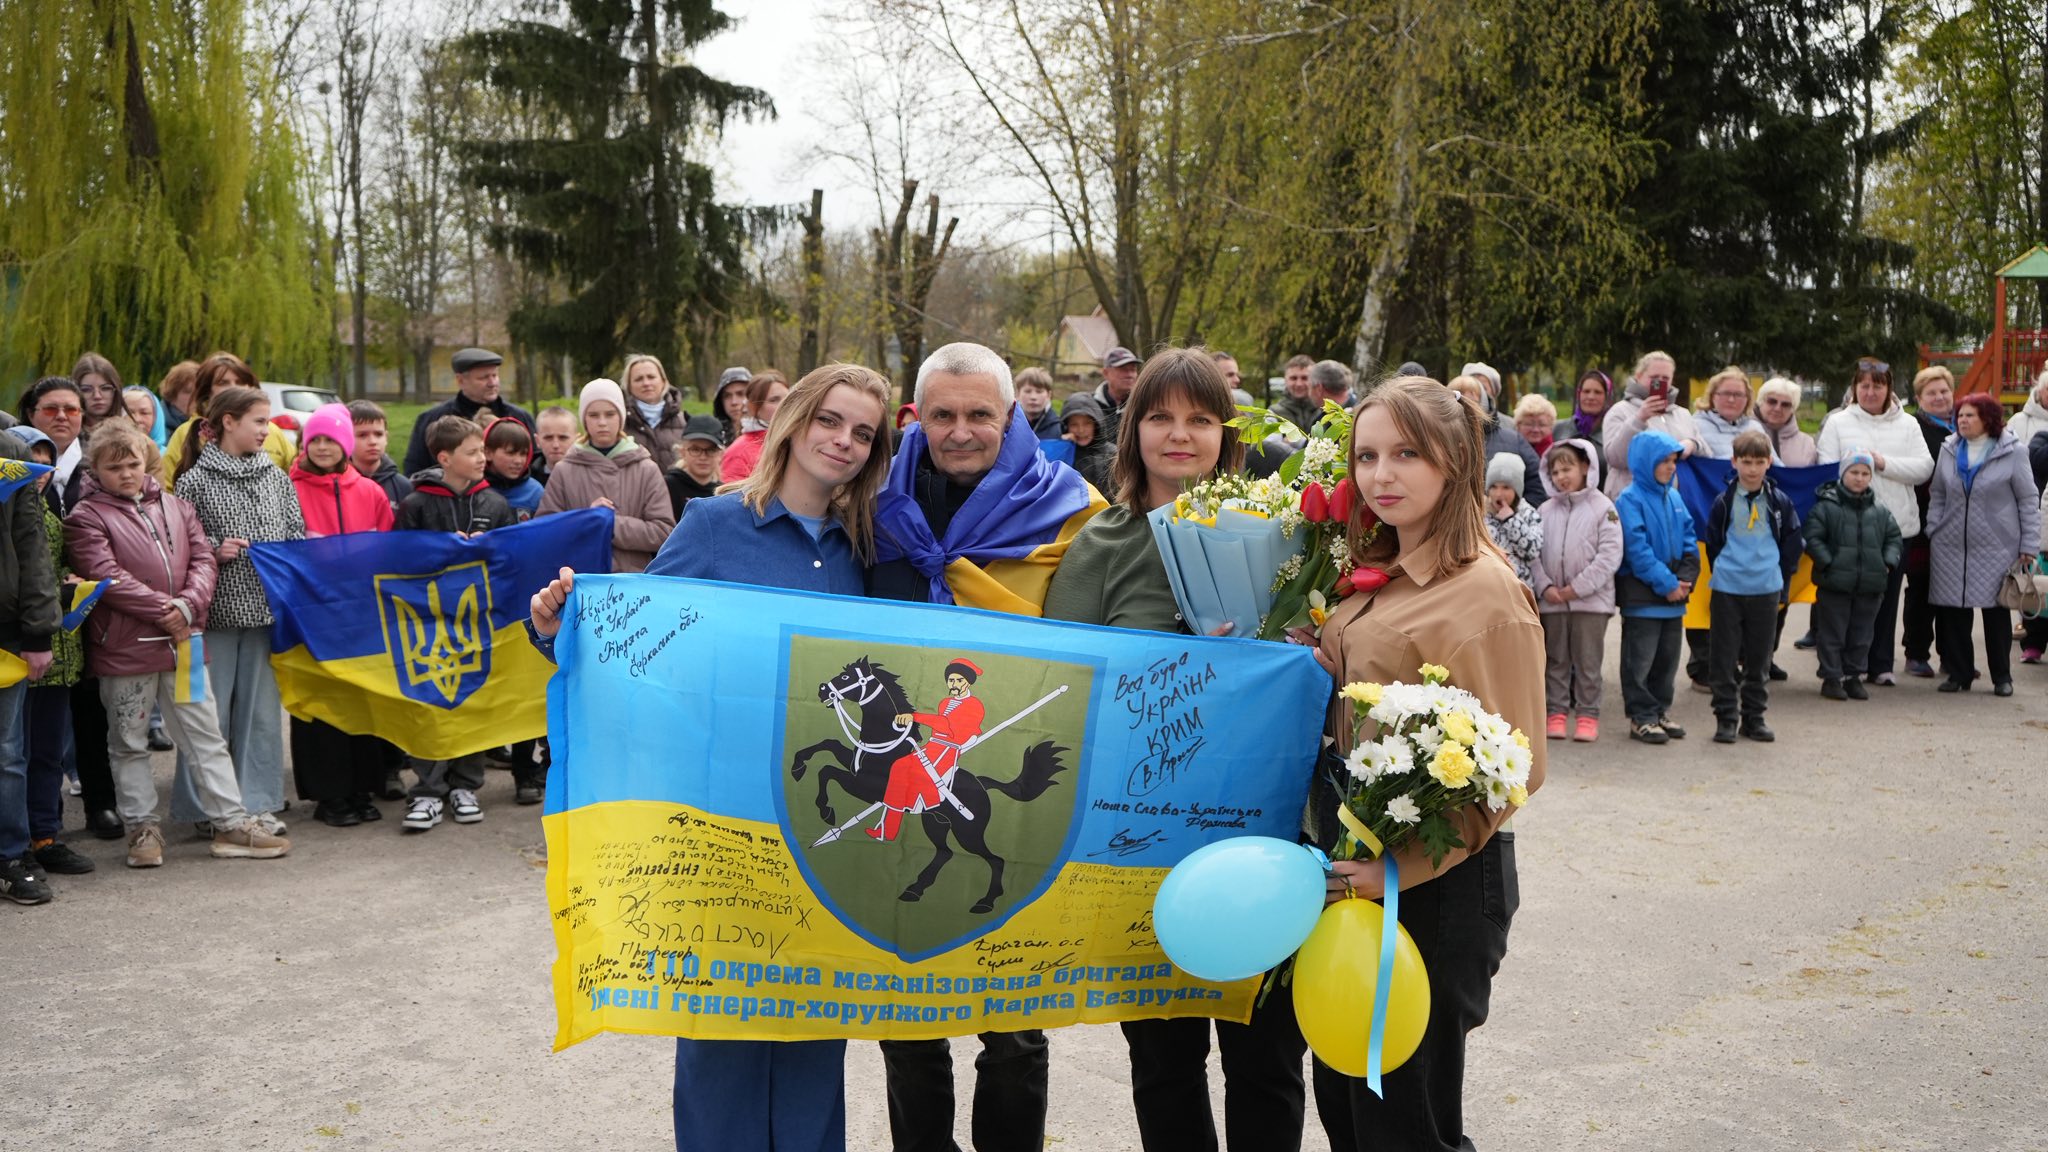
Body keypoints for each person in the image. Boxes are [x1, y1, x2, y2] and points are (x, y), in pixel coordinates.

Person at [527, 362, 895, 1152]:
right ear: (793, 422)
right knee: (722, 1032)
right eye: (831, 420)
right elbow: (642, 644)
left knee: (813, 1025)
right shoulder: (712, 525)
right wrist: (558, 625)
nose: (844, 441)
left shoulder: (869, 550)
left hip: (823, 827)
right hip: (720, 818)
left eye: (863, 432)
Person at [1044, 348, 1307, 1152]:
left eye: (1200, 418)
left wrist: (1297, 645)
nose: (1180, 435)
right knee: (1164, 1060)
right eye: (1160, 416)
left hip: (1265, 830)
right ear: (1133, 430)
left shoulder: (1284, 531)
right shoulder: (1100, 544)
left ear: (1227, 433)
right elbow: (1062, 689)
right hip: (1142, 841)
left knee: (1266, 1058)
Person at [867, 341, 1105, 1152]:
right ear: (916, 418)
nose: (961, 430)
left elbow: (1111, 638)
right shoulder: (869, 502)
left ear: (1013, 415)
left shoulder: (1073, 510)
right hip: (909, 769)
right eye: (943, 415)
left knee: (1013, 1025)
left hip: (1013, 771)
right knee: (904, 1017)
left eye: (979, 414)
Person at [1303, 374, 1544, 1152]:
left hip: (1438, 885)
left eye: (1407, 453)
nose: (1381, 475)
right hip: (1357, 867)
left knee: (1409, 1124)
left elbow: (1512, 766)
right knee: (1348, 1105)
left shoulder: (1482, 593)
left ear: (1457, 461)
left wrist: (1400, 872)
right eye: (1367, 456)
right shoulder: (1371, 571)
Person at [65, 420, 290, 866]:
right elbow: (104, 574)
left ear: (145, 462)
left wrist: (187, 606)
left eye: (132, 464)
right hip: (127, 649)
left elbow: (203, 557)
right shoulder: (85, 516)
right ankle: (142, 831)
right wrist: (166, 609)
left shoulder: (177, 505)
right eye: (114, 468)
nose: (126, 474)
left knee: (205, 736)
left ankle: (229, 822)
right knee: (129, 742)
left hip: (183, 643)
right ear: (97, 470)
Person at [172, 384, 305, 836]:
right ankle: (208, 808)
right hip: (213, 618)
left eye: (267, 422)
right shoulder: (194, 481)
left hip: (264, 617)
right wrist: (215, 549)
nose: (267, 431)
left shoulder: (277, 478)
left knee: (260, 717)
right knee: (208, 718)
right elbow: (178, 549)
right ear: (228, 422)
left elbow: (296, 536)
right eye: (259, 422)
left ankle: (257, 803)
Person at [398, 416, 516, 829]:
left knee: (472, 702)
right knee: (430, 704)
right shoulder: (415, 504)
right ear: (445, 458)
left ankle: (466, 784)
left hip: (477, 625)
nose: (483, 458)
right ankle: (427, 791)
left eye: (483, 450)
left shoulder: (495, 504)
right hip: (426, 627)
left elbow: (510, 563)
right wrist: (443, 552)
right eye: (473, 452)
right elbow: (400, 564)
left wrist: (487, 551)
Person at [287, 404, 396, 827]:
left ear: (345, 444)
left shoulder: (369, 491)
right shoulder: (289, 488)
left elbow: (388, 551)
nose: (323, 446)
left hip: (361, 617)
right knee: (320, 706)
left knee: (361, 701)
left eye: (331, 439)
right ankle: (328, 794)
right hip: (311, 617)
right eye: (315, 439)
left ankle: (361, 787)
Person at [1815, 358, 1934, 686]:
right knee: (1848, 602)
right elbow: (1827, 467)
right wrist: (1855, 474)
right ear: (1854, 388)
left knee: (1885, 600)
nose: (1870, 391)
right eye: (1864, 385)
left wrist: (1881, 463)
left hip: (1896, 528)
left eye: (1877, 385)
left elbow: (1924, 467)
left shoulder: (1908, 424)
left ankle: (1881, 664)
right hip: (1848, 527)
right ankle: (1846, 665)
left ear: (1888, 389)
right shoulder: (1839, 422)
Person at [6, 428, 92, 876]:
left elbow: (49, 568)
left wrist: (74, 586)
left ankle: (45, 835)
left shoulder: (54, 517)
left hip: (56, 647)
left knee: (46, 752)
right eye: (31, 463)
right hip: (20, 646)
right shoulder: (15, 512)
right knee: (12, 751)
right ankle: (17, 839)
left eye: (46, 462)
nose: (39, 473)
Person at [1925, 393, 2040, 696]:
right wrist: (1934, 527)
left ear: (1988, 419)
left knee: (1996, 614)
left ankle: (2002, 677)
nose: (1962, 420)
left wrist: (2029, 543)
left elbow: (2028, 499)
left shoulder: (2013, 452)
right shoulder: (1949, 450)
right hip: (1950, 544)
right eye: (1960, 415)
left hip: (1997, 545)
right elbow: (1937, 492)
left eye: (1970, 415)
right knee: (1953, 613)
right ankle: (1959, 674)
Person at [1702, 430, 1801, 743]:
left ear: (1769, 463)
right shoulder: (1724, 502)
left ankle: (1754, 718)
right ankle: (1726, 717)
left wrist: (1779, 577)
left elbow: (1792, 542)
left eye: (1759, 461)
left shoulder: (1779, 502)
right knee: (1724, 657)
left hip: (1765, 588)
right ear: (1734, 462)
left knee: (1760, 658)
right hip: (1728, 588)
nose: (1753, 468)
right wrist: (1730, 568)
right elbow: (1713, 543)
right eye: (1746, 461)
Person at [0, 427, 60, 905]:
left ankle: (9, 856)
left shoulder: (10, 451)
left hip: (4, 630)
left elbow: (33, 545)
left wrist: (39, 631)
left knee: (6, 754)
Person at [1533, 439, 1622, 743]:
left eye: (1568, 468)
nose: (1561, 476)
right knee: (1556, 659)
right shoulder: (1545, 510)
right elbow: (1532, 553)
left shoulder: (1604, 507)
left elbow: (1610, 555)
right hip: (1552, 602)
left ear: (1586, 467)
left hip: (1590, 603)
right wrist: (1545, 587)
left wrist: (1576, 589)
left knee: (1587, 661)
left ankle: (1587, 714)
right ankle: (1556, 712)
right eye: (1556, 471)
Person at [538, 379, 676, 572]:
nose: (602, 422)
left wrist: (612, 524)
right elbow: (545, 532)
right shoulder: (564, 470)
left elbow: (664, 532)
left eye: (610, 414)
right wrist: (588, 520)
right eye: (593, 415)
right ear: (584, 419)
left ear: (621, 417)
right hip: (579, 581)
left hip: (632, 583)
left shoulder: (646, 468)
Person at [1615, 430, 1698, 745]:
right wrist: (1667, 584)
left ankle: (1660, 710)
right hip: (1644, 596)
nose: (1670, 467)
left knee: (1667, 659)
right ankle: (1642, 717)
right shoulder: (1629, 499)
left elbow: (1690, 539)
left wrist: (1686, 581)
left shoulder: (1674, 496)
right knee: (1640, 660)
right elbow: (1637, 549)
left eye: (1674, 460)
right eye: (1663, 461)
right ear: (1644, 462)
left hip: (1675, 596)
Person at [1804, 450, 1902, 700]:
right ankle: (1831, 677)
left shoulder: (1880, 510)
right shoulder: (1826, 506)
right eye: (1854, 472)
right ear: (1843, 474)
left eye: (1864, 474)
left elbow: (1893, 538)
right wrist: (1828, 563)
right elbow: (1813, 537)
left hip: (1870, 584)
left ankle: (1853, 676)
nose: (1859, 478)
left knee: (1861, 635)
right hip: (1835, 584)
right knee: (1832, 633)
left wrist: (1887, 563)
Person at [158, 353, 295, 481]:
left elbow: (295, 478)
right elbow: (167, 488)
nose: (233, 388)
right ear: (207, 391)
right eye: (223, 383)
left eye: (240, 382)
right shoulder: (187, 433)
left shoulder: (272, 432)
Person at [400, 348, 534, 475]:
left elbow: (534, 464)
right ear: (460, 380)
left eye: (495, 375)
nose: (492, 383)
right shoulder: (432, 419)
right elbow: (415, 470)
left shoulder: (519, 417)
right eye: (484, 377)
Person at [1902, 367, 1957, 677]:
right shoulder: (1915, 427)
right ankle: (1916, 652)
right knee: (1921, 587)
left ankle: (1953, 656)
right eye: (1931, 393)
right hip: (1924, 518)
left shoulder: (1963, 424)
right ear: (1919, 398)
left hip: (1958, 523)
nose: (1939, 397)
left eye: (1944, 391)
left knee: (1953, 592)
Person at [1602, 351, 1703, 497]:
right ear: (1638, 376)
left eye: (1665, 378)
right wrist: (1639, 419)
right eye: (1654, 377)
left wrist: (1693, 444)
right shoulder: (1620, 411)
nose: (1660, 382)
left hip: (1673, 501)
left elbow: (1707, 452)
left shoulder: (1682, 414)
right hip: (1631, 501)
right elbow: (1615, 458)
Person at [1447, 374, 1542, 508]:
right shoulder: (1438, 442)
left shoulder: (1513, 440)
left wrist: (1515, 514)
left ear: (1483, 402)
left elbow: (1536, 483)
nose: (1466, 406)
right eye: (1459, 399)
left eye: (1472, 399)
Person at [23, 376, 90, 518]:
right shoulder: (14, 459)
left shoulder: (100, 461)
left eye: (71, 410)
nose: (61, 416)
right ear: (30, 414)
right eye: (50, 409)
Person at [345, 400, 412, 519]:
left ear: (386, 437)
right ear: (346, 438)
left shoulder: (404, 487)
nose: (373, 442)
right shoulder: (337, 485)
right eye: (362, 435)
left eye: (378, 434)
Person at [1483, 452, 1542, 587]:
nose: (1498, 494)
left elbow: (1533, 551)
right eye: (1493, 487)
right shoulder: (1480, 514)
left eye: (1506, 487)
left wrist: (1511, 520)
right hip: (1487, 588)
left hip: (1518, 589)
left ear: (1517, 490)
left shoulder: (1528, 513)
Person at [719, 370, 789, 483]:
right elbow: (731, 498)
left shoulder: (799, 440)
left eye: (788, 398)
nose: (785, 404)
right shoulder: (738, 452)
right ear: (753, 407)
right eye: (774, 400)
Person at [621, 353, 689, 467]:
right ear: (629, 386)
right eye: (638, 379)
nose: (646, 383)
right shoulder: (621, 424)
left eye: (651, 377)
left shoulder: (685, 423)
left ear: (663, 381)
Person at [1694, 367, 1770, 460]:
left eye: (1738, 395)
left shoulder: (1756, 428)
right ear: (1713, 396)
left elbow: (1776, 466)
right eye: (1725, 393)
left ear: (1747, 399)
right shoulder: (1695, 426)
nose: (1731, 400)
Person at [482, 417, 545, 522]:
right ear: (488, 453)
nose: (518, 461)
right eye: (510, 453)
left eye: (523, 454)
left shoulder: (536, 493)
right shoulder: (474, 491)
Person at [666, 414, 725, 519]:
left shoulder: (723, 493)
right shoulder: (667, 486)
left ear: (720, 454)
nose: (703, 457)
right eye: (695, 449)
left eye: (711, 450)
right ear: (683, 452)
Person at [1060, 392, 1116, 496]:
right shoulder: (1062, 453)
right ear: (1066, 426)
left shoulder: (1113, 454)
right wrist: (1061, 445)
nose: (1081, 430)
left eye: (1087, 423)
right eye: (1074, 424)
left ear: (1096, 424)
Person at [1755, 377, 1816, 466]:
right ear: (1760, 402)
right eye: (1772, 401)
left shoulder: (1807, 444)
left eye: (1785, 405)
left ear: (1793, 409)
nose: (1777, 408)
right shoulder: (1742, 434)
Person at [71, 352, 131, 437]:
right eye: (86, 390)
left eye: (105, 388)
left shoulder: (130, 438)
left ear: (116, 390)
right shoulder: (67, 438)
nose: (97, 396)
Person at [1555, 369, 1611, 456]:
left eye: (1598, 392)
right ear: (1579, 394)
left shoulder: (1613, 431)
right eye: (1586, 391)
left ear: (1607, 397)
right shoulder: (1558, 429)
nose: (1591, 397)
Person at [1092, 346, 1142, 443]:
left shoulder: (1143, 405)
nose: (1130, 375)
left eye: (1133, 369)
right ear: (1106, 373)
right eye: (1123, 369)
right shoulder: (1090, 407)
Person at [1271, 354, 1320, 435]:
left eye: (1305, 378)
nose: (1299, 384)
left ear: (1314, 380)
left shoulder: (1325, 411)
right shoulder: (1274, 414)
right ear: (1285, 380)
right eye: (1293, 378)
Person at [532, 405, 577, 485]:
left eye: (563, 438)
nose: (555, 445)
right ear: (537, 441)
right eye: (548, 438)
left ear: (576, 440)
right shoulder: (526, 479)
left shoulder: (591, 476)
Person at [1015, 367, 1063, 438]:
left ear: (1049, 395)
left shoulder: (1061, 428)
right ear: (1018, 394)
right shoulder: (1007, 425)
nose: (1033, 397)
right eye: (1028, 391)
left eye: (1039, 392)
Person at [711, 365, 753, 445]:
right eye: (727, 396)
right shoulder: (712, 437)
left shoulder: (770, 433)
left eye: (741, 394)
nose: (734, 402)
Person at [158, 360, 200, 428]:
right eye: (188, 391)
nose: (195, 397)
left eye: (199, 391)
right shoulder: (157, 426)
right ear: (172, 394)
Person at [1513, 392, 1555, 458]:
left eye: (1542, 425)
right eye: (1529, 424)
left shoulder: (1557, 454)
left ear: (1551, 427)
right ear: (1518, 425)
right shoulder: (1510, 450)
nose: (1535, 430)